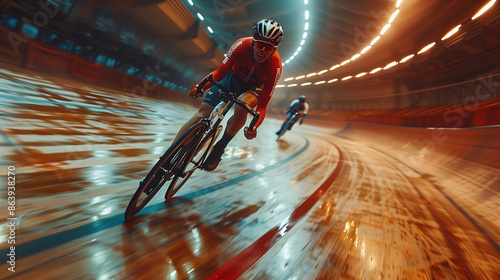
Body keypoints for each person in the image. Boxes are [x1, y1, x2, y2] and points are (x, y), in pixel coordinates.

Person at [174, 19, 284, 171]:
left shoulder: (275, 66)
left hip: (254, 88)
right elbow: (218, 74)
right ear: (253, 42)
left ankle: (220, 146)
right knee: (203, 113)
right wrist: (200, 88)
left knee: (242, 105)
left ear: (274, 48)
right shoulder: (241, 45)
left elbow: (263, 105)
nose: (262, 51)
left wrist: (253, 126)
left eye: (268, 47)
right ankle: (170, 153)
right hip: (232, 78)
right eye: (259, 44)